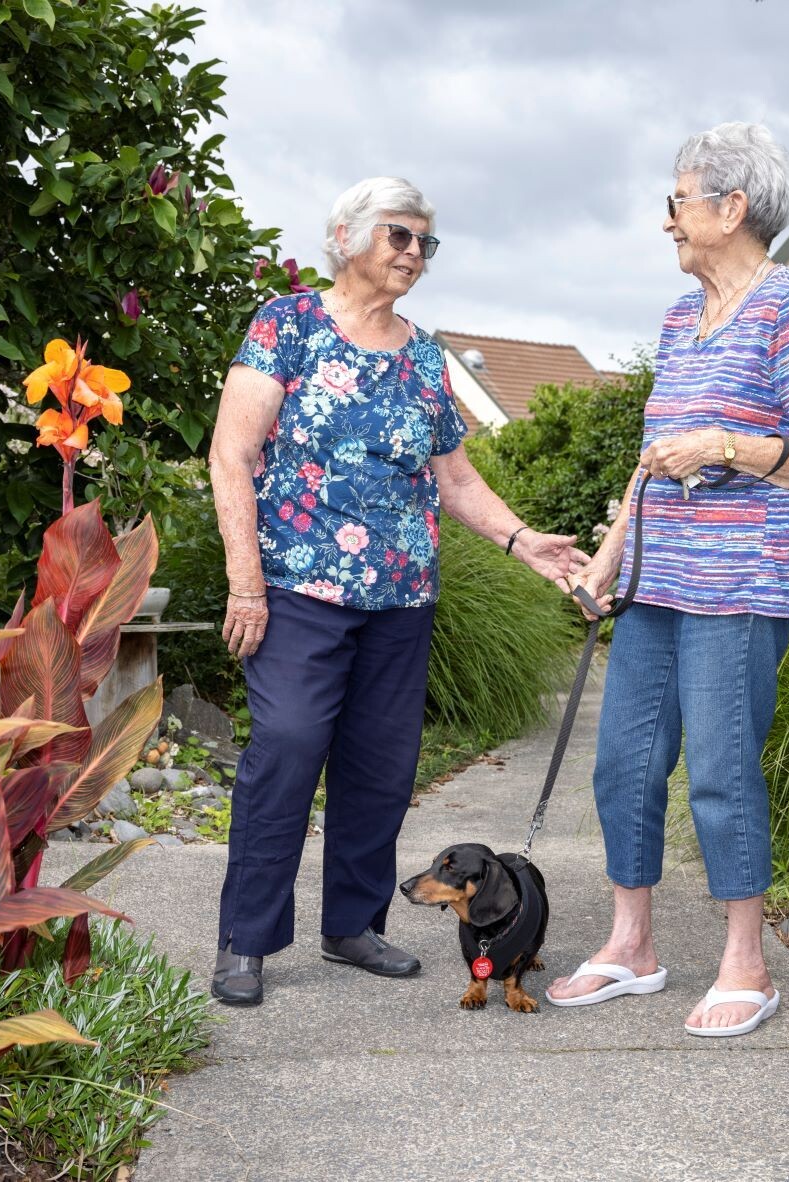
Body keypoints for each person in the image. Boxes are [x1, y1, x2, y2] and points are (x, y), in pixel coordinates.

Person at [206, 176, 589, 1006]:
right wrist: (246, 584)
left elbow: (453, 476)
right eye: (399, 236)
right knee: (287, 747)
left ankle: (351, 927)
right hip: (296, 588)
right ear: (346, 236)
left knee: (380, 769)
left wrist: (524, 541)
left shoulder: (423, 354)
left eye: (425, 242)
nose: (414, 254)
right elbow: (230, 455)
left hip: (401, 598)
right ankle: (247, 939)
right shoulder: (289, 325)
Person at [545, 125, 789, 1036]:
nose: (666, 222)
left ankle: (746, 965)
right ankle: (632, 946)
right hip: (656, 579)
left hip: (741, 582)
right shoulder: (682, 317)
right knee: (623, 766)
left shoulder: (786, 307)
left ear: (731, 208)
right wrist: (606, 562)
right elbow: (651, 458)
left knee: (720, 771)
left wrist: (727, 445)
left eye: (676, 202)